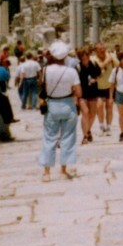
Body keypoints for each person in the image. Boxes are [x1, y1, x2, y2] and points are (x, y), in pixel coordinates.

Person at [39, 41, 81, 180]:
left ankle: (46, 172)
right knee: (68, 138)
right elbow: (79, 92)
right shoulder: (72, 71)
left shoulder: (45, 70)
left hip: (52, 106)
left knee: (49, 138)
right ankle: (63, 170)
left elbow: (42, 87)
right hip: (68, 105)